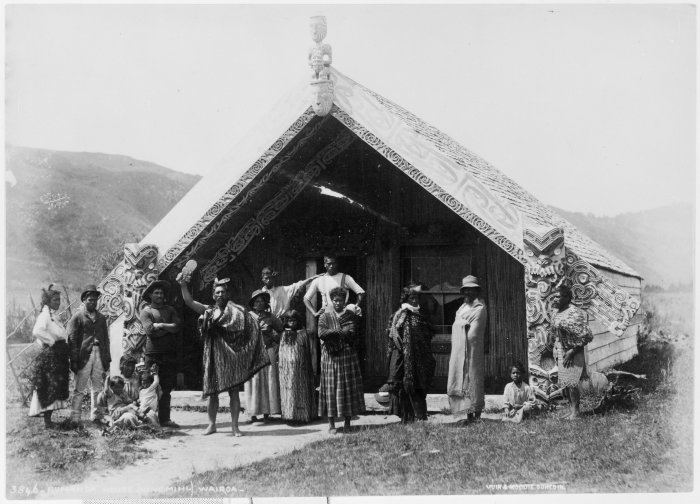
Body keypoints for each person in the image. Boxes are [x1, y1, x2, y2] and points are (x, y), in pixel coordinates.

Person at [178, 275, 269, 436]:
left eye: (223, 292)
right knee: (213, 392)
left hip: (231, 356)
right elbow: (189, 302)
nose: (220, 295)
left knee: (233, 392)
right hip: (213, 355)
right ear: (213, 295)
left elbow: (251, 323)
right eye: (217, 292)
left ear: (227, 294)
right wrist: (183, 285)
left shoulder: (236, 311)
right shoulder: (209, 310)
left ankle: (235, 426)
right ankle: (212, 424)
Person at [317, 287, 365, 433]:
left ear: (345, 300)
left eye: (341, 300)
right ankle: (331, 424)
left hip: (347, 354)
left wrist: (334, 333)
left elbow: (351, 333)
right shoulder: (325, 316)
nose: (338, 303)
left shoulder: (350, 316)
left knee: (347, 387)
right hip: (330, 356)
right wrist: (339, 331)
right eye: (335, 300)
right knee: (330, 388)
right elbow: (322, 333)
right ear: (332, 300)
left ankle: (347, 423)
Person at [386, 285, 436, 423]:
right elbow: (392, 335)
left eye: (416, 297)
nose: (415, 300)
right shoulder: (400, 315)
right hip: (403, 357)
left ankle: (419, 416)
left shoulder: (420, 316)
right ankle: (406, 417)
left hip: (419, 357)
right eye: (411, 297)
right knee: (403, 385)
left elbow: (426, 335)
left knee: (418, 385)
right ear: (405, 298)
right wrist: (403, 350)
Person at [138, 280, 181, 428]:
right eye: (156, 292)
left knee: (166, 388)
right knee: (150, 386)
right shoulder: (146, 311)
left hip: (169, 353)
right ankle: (148, 419)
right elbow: (150, 331)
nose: (159, 295)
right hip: (152, 354)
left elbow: (177, 327)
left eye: (161, 293)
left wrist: (161, 325)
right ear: (150, 295)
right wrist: (166, 329)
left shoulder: (170, 310)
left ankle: (165, 419)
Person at [67, 284, 111, 425]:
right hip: (84, 355)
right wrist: (73, 359)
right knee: (80, 387)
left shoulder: (101, 318)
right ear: (84, 300)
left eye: (95, 300)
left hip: (99, 353)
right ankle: (75, 416)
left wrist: (107, 358)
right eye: (90, 300)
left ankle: (96, 415)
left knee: (97, 386)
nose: (92, 302)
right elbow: (73, 340)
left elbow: (105, 338)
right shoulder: (78, 317)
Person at [28, 285, 70, 428]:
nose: (58, 303)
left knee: (55, 385)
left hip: (58, 354)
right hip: (51, 355)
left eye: (59, 300)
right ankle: (47, 422)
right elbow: (37, 331)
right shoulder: (45, 316)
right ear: (47, 301)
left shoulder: (53, 316)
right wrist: (51, 341)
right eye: (55, 300)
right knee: (49, 386)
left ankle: (49, 420)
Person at [447, 275, 487, 424]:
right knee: (462, 380)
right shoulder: (461, 308)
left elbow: (473, 333)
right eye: (466, 290)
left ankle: (476, 415)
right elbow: (458, 323)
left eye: (471, 290)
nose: (468, 293)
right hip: (459, 351)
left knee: (473, 379)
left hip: (472, 351)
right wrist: (462, 324)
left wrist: (461, 324)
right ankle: (467, 415)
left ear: (477, 291)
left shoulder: (480, 308)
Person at [550, 283, 593, 419]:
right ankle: (571, 410)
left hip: (573, 352)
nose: (555, 299)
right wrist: (556, 348)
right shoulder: (557, 312)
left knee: (572, 383)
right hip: (561, 350)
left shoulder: (575, 313)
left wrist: (572, 352)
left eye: (559, 297)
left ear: (567, 298)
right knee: (567, 383)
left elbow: (586, 336)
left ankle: (576, 412)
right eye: (554, 297)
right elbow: (556, 333)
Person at [244, 290, 284, 422]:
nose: (258, 303)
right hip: (252, 353)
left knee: (268, 380)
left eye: (261, 301)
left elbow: (281, 331)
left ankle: (267, 413)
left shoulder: (271, 317)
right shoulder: (247, 316)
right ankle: (252, 413)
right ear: (253, 304)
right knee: (253, 381)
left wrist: (274, 338)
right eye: (256, 301)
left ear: (265, 303)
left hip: (268, 351)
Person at [278, 309, 316, 423]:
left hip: (301, 369)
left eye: (294, 320)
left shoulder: (303, 334)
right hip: (287, 370)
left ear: (298, 321)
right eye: (289, 320)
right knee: (288, 391)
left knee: (301, 391)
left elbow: (307, 353)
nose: (291, 322)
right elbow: (281, 352)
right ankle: (289, 415)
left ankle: (303, 415)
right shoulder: (284, 335)